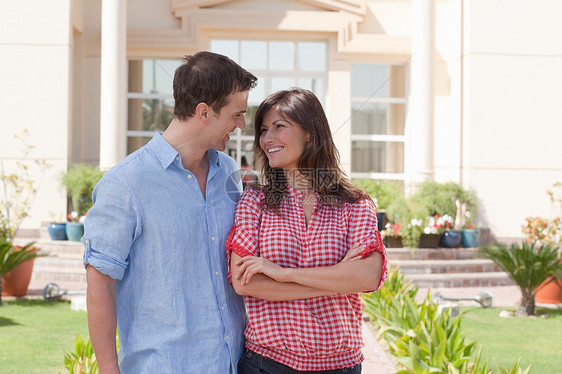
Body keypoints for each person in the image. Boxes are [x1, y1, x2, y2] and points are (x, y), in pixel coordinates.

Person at [83, 51, 257, 373]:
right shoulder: (127, 183)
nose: (242, 124)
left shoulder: (229, 172)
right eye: (236, 114)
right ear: (204, 111)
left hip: (233, 364)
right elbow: (100, 283)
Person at [226, 88, 388, 373]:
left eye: (279, 127)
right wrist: (336, 279)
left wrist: (280, 273)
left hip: (340, 366)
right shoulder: (254, 202)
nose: (268, 139)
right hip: (267, 364)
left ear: (310, 133)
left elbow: (367, 276)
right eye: (263, 130)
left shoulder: (355, 204)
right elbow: (245, 283)